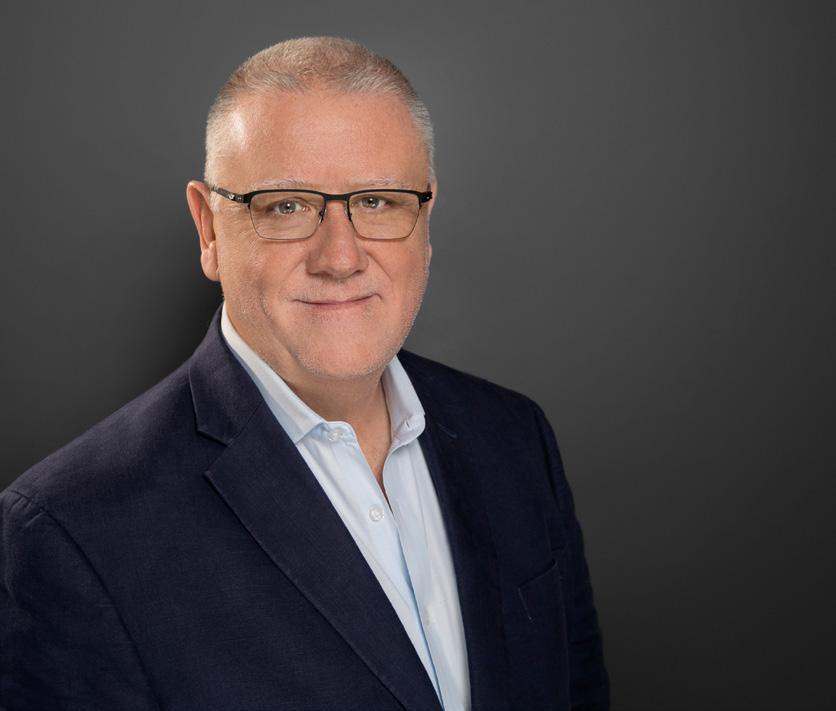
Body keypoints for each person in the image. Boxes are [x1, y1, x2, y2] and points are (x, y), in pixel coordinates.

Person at [0, 37, 609, 710]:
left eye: (377, 201)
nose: (340, 257)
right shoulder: (70, 532)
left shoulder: (514, 438)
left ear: (425, 217)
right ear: (209, 229)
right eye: (285, 206)